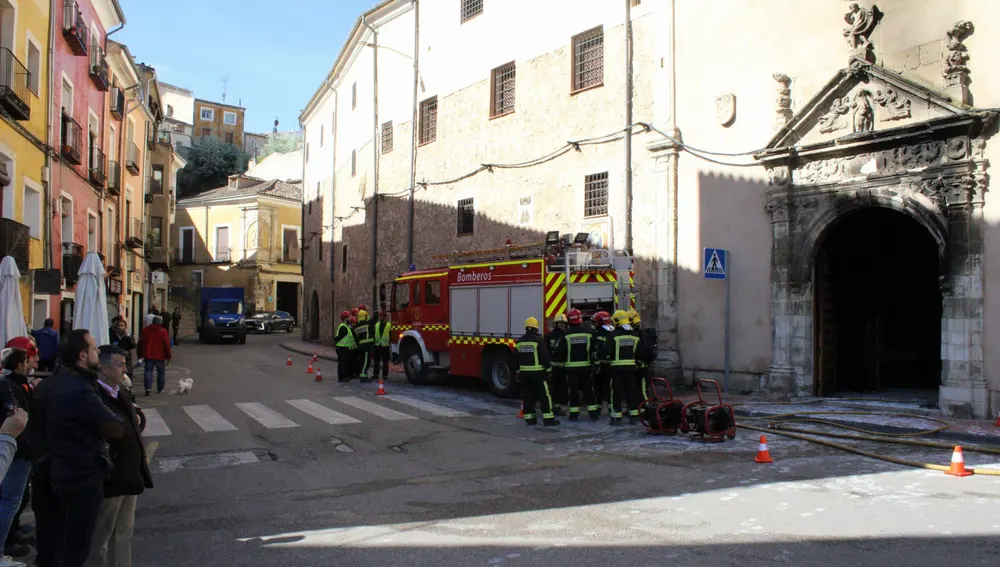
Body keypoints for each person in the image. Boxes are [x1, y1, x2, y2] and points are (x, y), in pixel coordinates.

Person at [37, 329, 126, 567]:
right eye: (94, 348)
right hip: (81, 474)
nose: (97, 351)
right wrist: (124, 418)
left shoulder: (52, 383)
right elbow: (114, 427)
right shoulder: (80, 389)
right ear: (83, 355)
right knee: (77, 547)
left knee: (57, 540)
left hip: (57, 471)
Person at [85, 346, 152, 567]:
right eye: (120, 365)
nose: (125, 369)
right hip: (111, 476)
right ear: (105, 368)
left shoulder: (120, 391)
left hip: (129, 473)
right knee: (101, 537)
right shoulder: (93, 395)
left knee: (124, 533)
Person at [0, 348, 37, 566]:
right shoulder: (9, 387)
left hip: (18, 450)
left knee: (14, 500)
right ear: (18, 365)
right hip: (17, 452)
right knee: (10, 501)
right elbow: (17, 420)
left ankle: (9, 537)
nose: (32, 363)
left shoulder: (13, 384)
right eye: (27, 360)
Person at [514, 317, 559, 427]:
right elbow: (544, 356)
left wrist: (518, 371)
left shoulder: (519, 342)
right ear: (536, 328)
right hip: (538, 374)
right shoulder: (538, 340)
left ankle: (530, 419)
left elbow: (516, 358)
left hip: (524, 374)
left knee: (528, 396)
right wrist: (549, 370)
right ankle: (548, 419)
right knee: (544, 396)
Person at [557, 309, 600, 421]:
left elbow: (559, 351)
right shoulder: (589, 333)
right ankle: (593, 414)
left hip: (571, 369)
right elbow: (594, 351)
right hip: (586, 368)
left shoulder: (566, 335)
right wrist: (596, 365)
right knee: (589, 390)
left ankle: (574, 415)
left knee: (573, 392)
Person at [598, 311, 640, 425]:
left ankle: (616, 417)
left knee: (616, 392)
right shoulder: (634, 335)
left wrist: (597, 354)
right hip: (631, 368)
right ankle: (634, 415)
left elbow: (606, 350)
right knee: (631, 391)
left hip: (616, 368)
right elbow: (639, 352)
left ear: (616, 321)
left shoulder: (613, 335)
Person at [137, 316, 172, 396]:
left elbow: (140, 342)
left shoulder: (145, 330)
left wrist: (139, 353)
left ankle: (148, 388)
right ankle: (160, 388)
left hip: (148, 354)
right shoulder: (163, 331)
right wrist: (169, 356)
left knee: (148, 371)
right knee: (161, 372)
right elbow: (166, 344)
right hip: (160, 355)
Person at [544, 314, 568, 415]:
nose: (562, 325)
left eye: (563, 323)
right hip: (553, 366)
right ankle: (553, 406)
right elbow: (545, 350)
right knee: (553, 387)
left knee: (562, 386)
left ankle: (560, 404)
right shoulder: (549, 336)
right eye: (560, 323)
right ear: (556, 324)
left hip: (563, 365)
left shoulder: (566, 335)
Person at [334, 311, 356, 383]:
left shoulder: (345, 326)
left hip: (344, 347)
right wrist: (335, 342)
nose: (350, 319)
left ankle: (344, 376)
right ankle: (341, 377)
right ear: (346, 318)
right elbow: (339, 337)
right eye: (348, 317)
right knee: (342, 363)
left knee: (344, 362)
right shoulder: (343, 327)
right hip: (342, 348)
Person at [353, 310, 374, 383]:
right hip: (367, 345)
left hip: (361, 346)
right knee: (366, 361)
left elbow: (356, 338)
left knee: (362, 361)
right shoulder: (367, 324)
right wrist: (376, 310)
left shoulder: (356, 327)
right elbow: (375, 318)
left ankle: (363, 375)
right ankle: (363, 377)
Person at [371, 311, 391, 382]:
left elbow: (391, 335)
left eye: (382, 316)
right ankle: (375, 374)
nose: (380, 317)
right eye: (380, 316)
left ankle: (385, 375)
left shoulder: (389, 325)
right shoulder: (376, 325)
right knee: (376, 361)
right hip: (377, 345)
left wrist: (390, 342)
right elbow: (374, 334)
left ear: (385, 317)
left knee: (385, 361)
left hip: (385, 345)